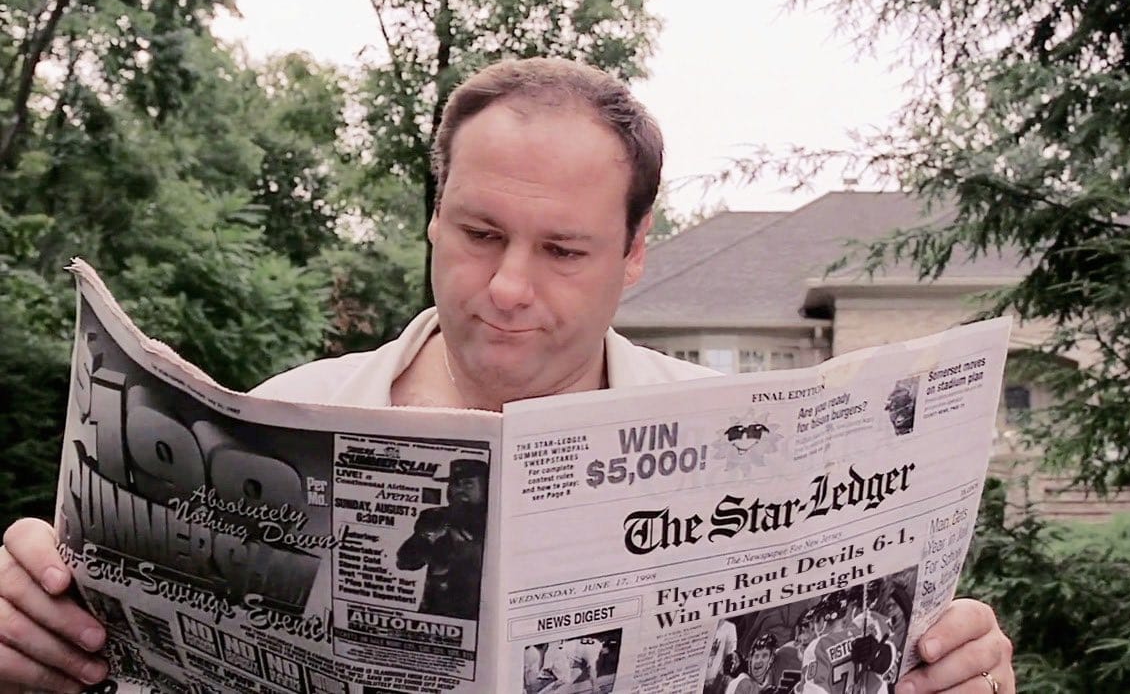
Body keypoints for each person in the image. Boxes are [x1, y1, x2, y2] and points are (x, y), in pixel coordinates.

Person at [0, 57, 1014, 694]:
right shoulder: (275, 415)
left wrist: (959, 672)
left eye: (564, 250)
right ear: (433, 217)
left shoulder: (754, 443)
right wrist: (45, 637)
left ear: (633, 254)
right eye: (479, 233)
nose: (508, 288)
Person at [395, 458, 488, 619]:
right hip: (438, 613)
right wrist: (428, 536)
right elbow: (405, 562)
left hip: (481, 614)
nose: (459, 490)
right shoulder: (435, 517)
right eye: (455, 484)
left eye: (468, 484)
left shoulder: (497, 521)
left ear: (486, 487)